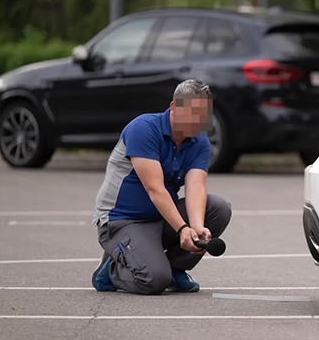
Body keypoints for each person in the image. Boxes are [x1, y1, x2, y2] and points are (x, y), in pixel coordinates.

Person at [91, 79, 232, 294]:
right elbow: (154, 190)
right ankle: (111, 269)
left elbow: (195, 187)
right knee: (154, 280)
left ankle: (175, 269)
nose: (200, 121)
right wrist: (182, 229)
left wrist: (196, 227)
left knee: (219, 208)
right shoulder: (144, 128)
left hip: (159, 218)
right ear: (174, 107)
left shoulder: (199, 142)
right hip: (121, 220)